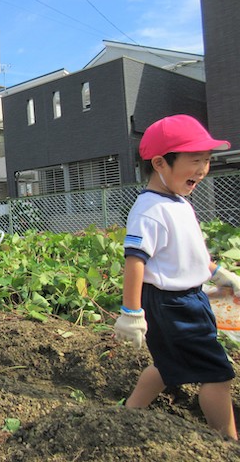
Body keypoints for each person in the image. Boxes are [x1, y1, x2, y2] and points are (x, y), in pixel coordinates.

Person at [115, 114, 240, 440]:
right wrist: (131, 313)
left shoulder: (178, 202)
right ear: (160, 163)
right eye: (195, 160)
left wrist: (218, 274)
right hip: (172, 305)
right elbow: (135, 261)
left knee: (167, 364)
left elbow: (190, 253)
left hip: (188, 299)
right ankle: (227, 441)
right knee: (217, 374)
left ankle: (129, 412)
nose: (203, 169)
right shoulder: (150, 210)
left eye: (208, 160)